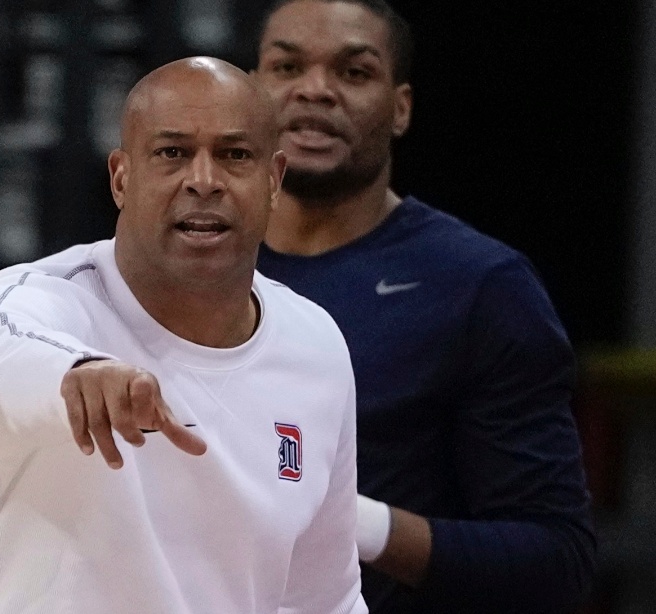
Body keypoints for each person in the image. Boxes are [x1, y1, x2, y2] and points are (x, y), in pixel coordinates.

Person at [0, 57, 366, 614]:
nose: (203, 181)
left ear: (274, 180)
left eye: (234, 155)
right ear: (121, 179)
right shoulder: (22, 302)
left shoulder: (316, 343)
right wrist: (77, 377)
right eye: (172, 153)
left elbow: (323, 599)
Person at [251, 1, 597, 612]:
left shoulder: (480, 285)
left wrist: (357, 523)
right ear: (250, 92)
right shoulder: (185, 266)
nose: (315, 91)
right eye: (286, 67)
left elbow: (555, 559)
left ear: (401, 108)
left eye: (353, 73)